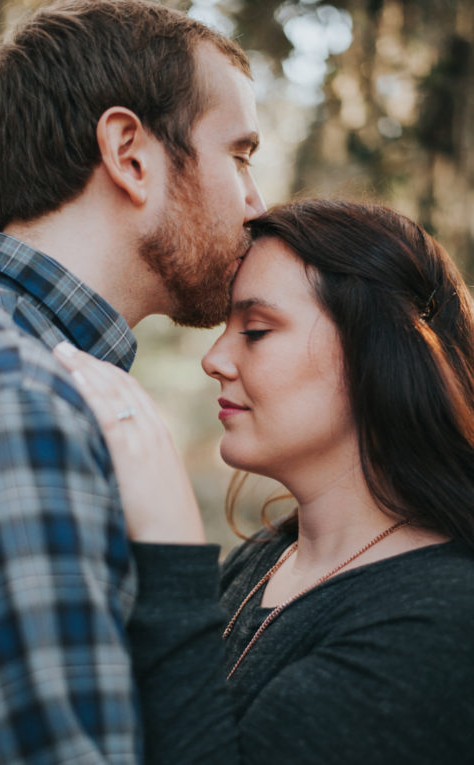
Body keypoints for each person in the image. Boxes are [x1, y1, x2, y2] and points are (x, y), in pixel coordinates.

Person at [55, 198, 474, 764]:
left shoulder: (443, 621)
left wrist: (170, 545)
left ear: (378, 349)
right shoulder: (266, 557)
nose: (215, 358)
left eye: (255, 329)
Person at [0, 0, 265, 761]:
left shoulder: (9, 351)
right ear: (130, 153)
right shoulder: (27, 401)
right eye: (240, 155)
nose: (256, 203)